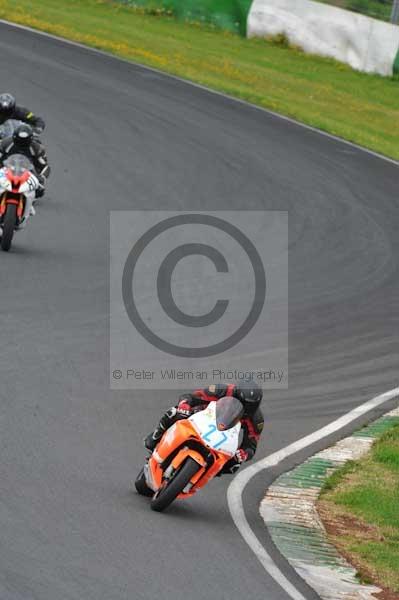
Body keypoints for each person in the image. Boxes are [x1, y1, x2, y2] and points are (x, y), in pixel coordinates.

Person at [144, 381, 264, 475]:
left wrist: (244, 454)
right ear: (235, 394)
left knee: (234, 465)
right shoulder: (221, 390)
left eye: (249, 405)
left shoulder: (256, 419)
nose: (245, 407)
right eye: (242, 402)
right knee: (175, 412)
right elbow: (191, 397)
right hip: (201, 417)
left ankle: (205, 472)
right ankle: (155, 437)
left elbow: (251, 446)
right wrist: (184, 405)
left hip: (224, 435)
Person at [0, 124, 50, 197]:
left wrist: (41, 178)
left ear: (30, 139)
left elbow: (45, 166)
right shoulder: (5, 143)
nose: (21, 144)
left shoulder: (36, 148)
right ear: (14, 137)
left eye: (24, 141)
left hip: (28, 172)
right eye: (20, 141)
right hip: (6, 169)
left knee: (39, 191)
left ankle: (30, 201)